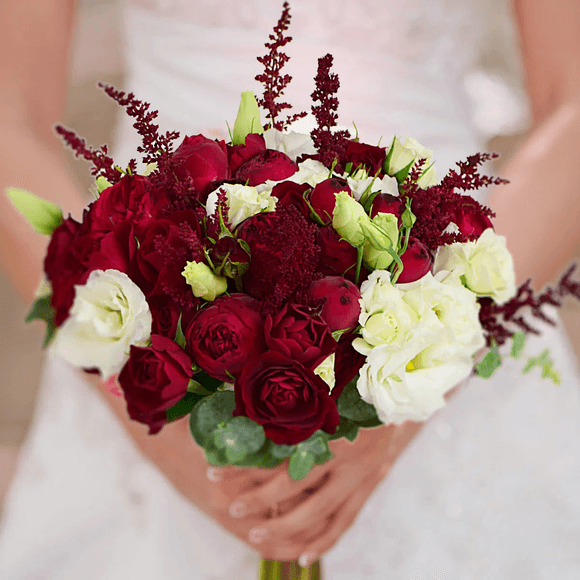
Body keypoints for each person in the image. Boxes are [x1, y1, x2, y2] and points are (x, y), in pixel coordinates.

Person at [1, 0, 580, 578]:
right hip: (150, 294)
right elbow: (10, 119)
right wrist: (137, 393)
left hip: (443, 284)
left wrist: (420, 371)